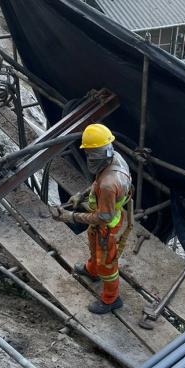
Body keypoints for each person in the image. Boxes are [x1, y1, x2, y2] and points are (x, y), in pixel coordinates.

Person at [50, 124, 132, 314]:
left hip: (107, 227)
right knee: (94, 248)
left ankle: (112, 299)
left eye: (90, 153)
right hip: (102, 221)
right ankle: (92, 270)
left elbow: (104, 217)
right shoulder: (113, 159)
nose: (88, 156)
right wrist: (82, 195)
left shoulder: (109, 185)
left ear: (98, 152)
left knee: (107, 264)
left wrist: (71, 216)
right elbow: (98, 181)